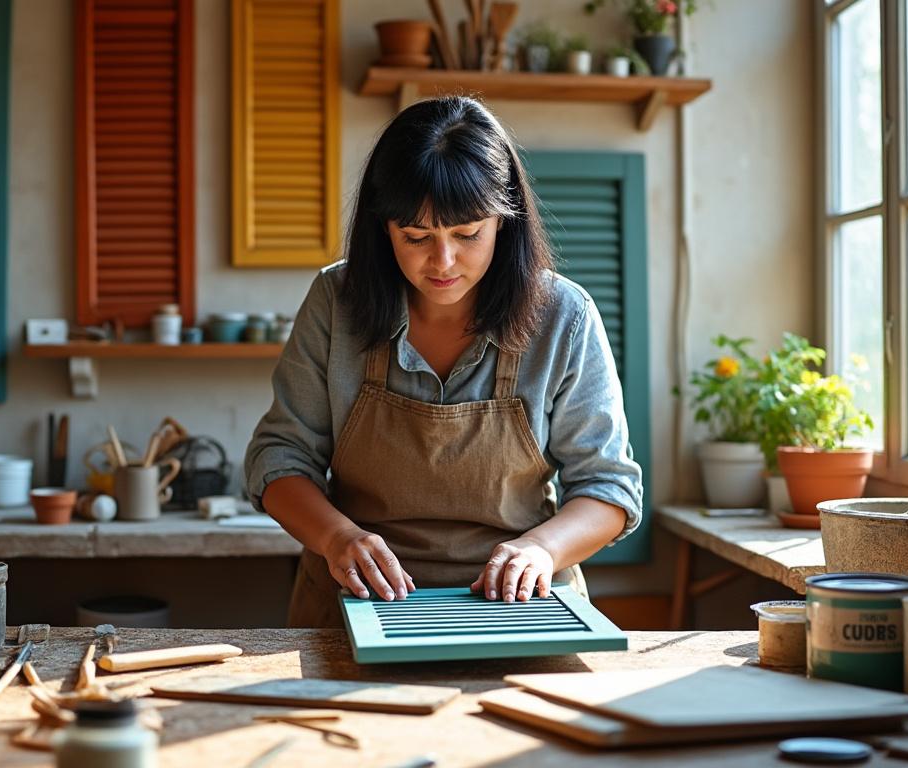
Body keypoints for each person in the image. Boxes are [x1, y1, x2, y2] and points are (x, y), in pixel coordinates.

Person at [244, 96, 643, 629]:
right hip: (356, 601)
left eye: (468, 234)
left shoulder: (564, 316)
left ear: (505, 221)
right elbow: (279, 458)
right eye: (416, 237)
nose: (443, 262)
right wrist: (336, 538)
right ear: (382, 228)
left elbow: (608, 488)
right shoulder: (335, 302)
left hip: (515, 607)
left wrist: (542, 550)